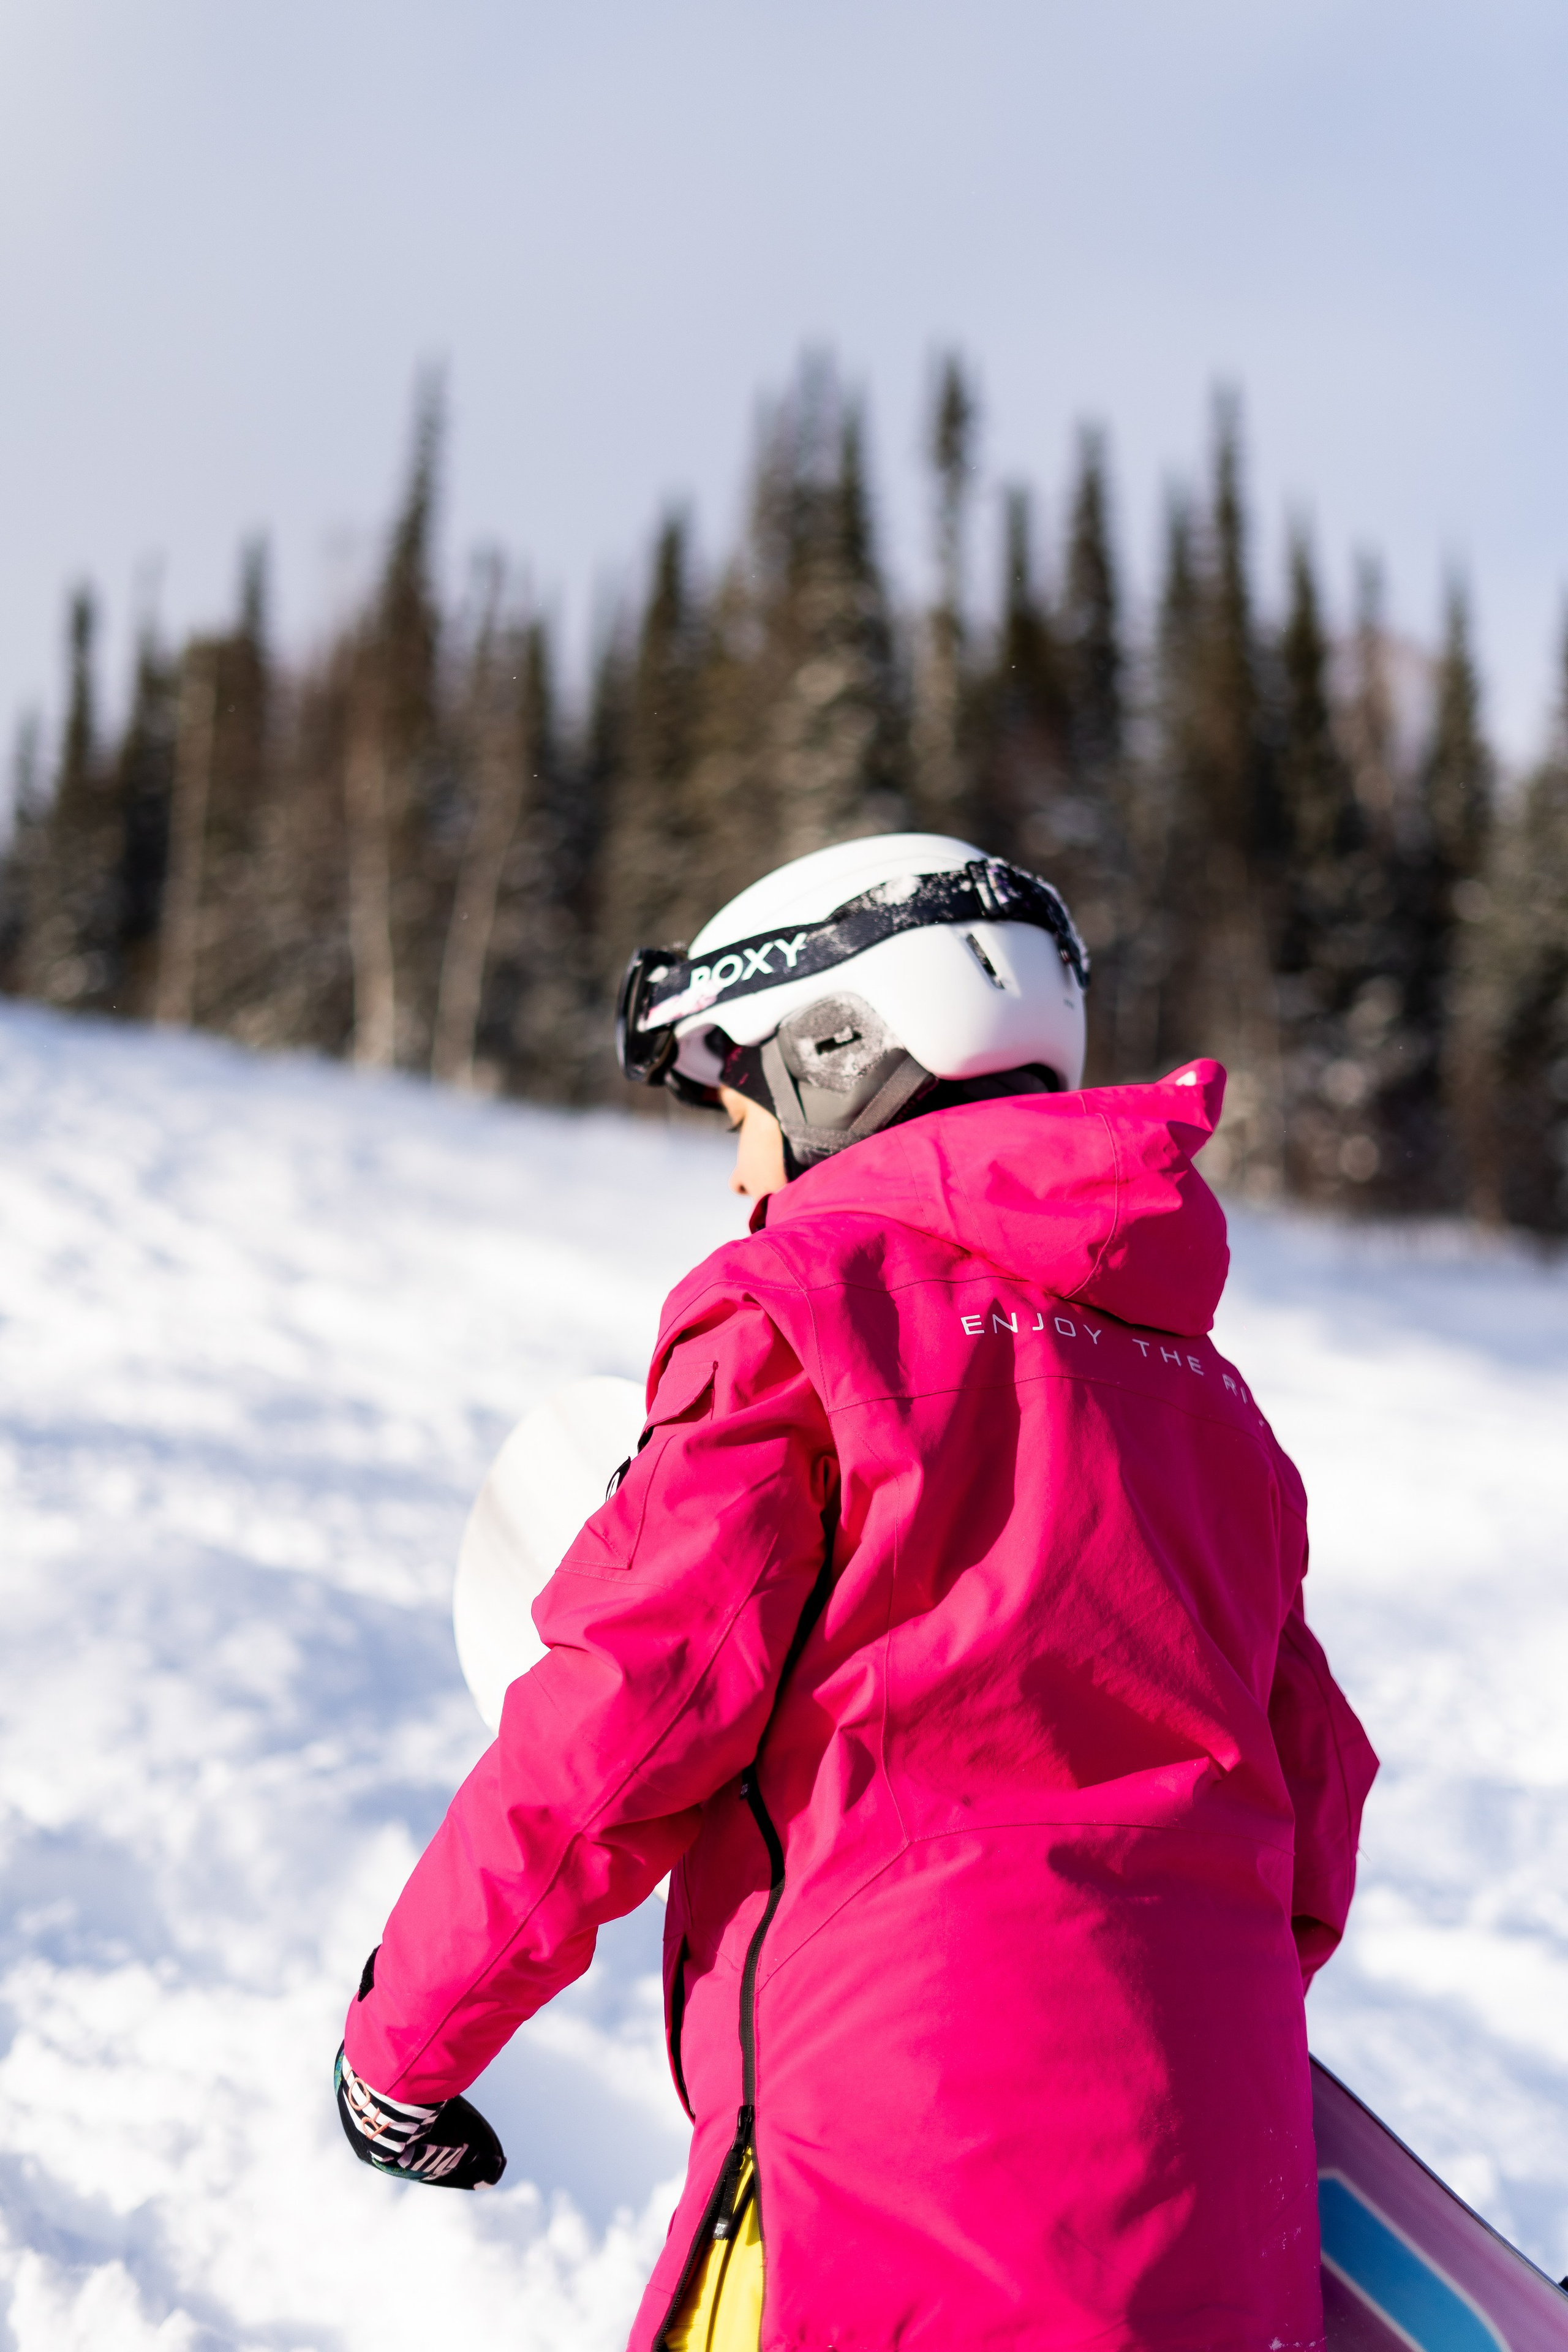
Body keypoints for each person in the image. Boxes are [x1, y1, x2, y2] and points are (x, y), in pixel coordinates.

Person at [335, 832, 1378, 2351]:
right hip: (1212, 2168)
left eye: (741, 1108)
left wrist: (406, 2042)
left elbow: (620, 1723)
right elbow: (1314, 1794)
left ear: (840, 1057)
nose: (743, 1165)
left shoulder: (796, 1321)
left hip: (895, 2165)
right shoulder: (1212, 1407)